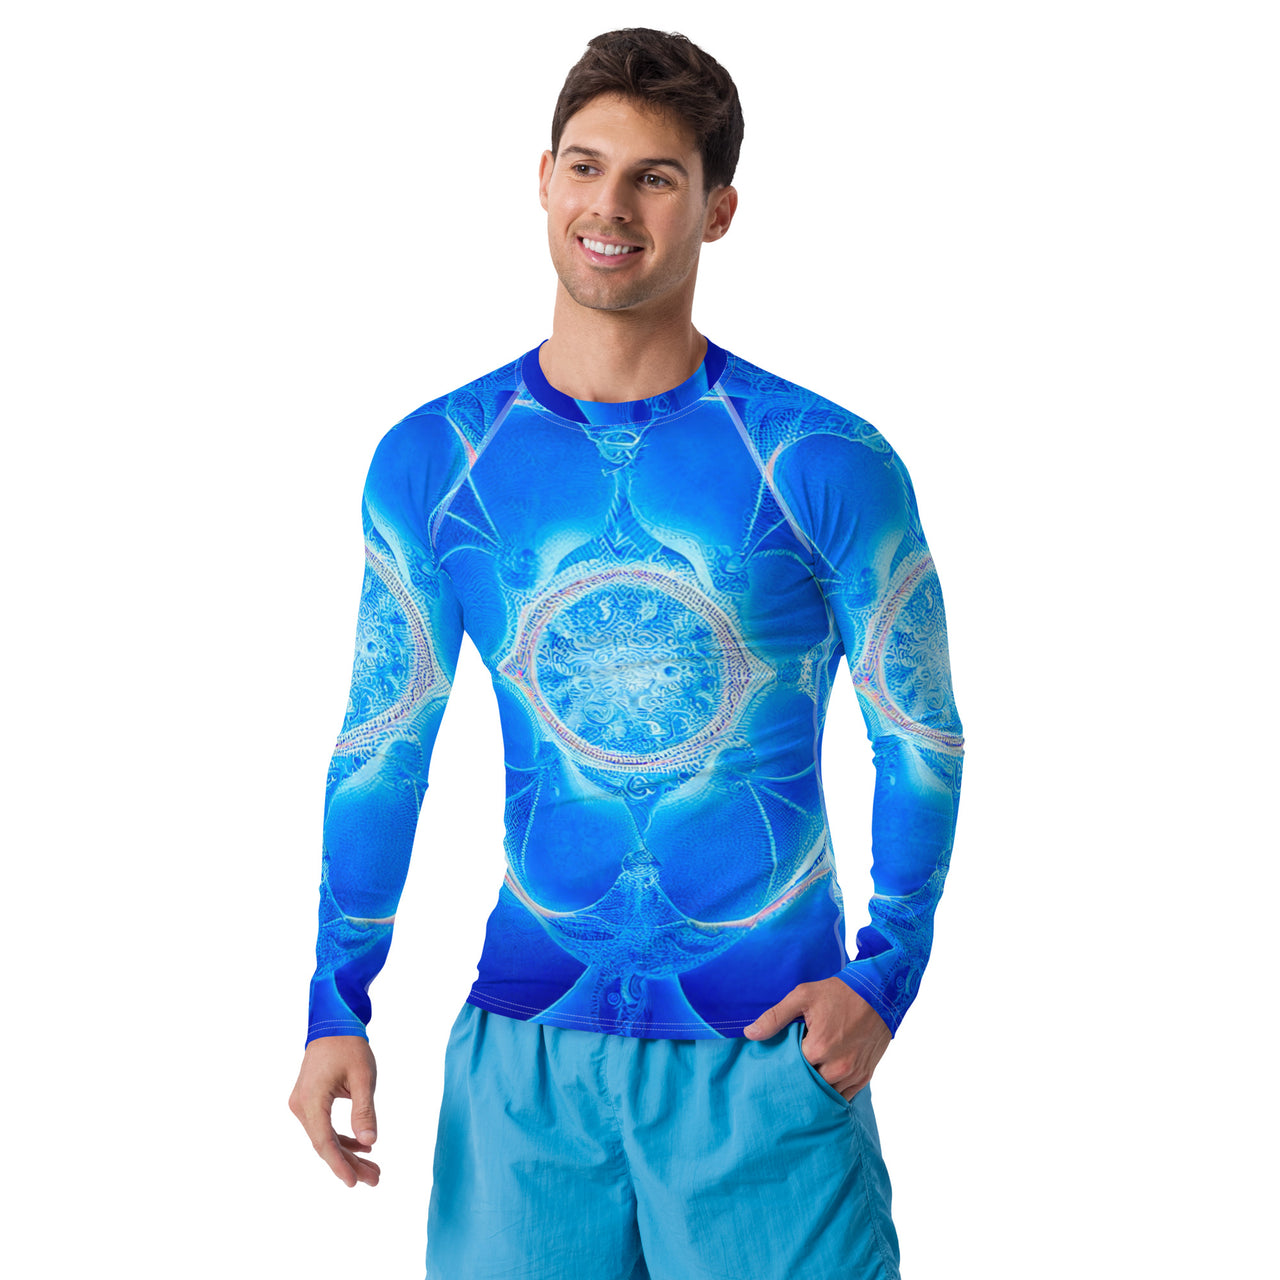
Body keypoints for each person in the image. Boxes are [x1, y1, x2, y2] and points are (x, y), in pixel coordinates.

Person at [289, 27, 964, 1280]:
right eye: (586, 166)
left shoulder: (822, 457)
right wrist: (338, 999)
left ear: (717, 210)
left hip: (765, 1050)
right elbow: (383, 738)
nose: (610, 205)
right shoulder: (436, 460)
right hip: (523, 1058)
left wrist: (887, 975)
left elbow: (918, 732)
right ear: (542, 177)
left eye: (654, 177)